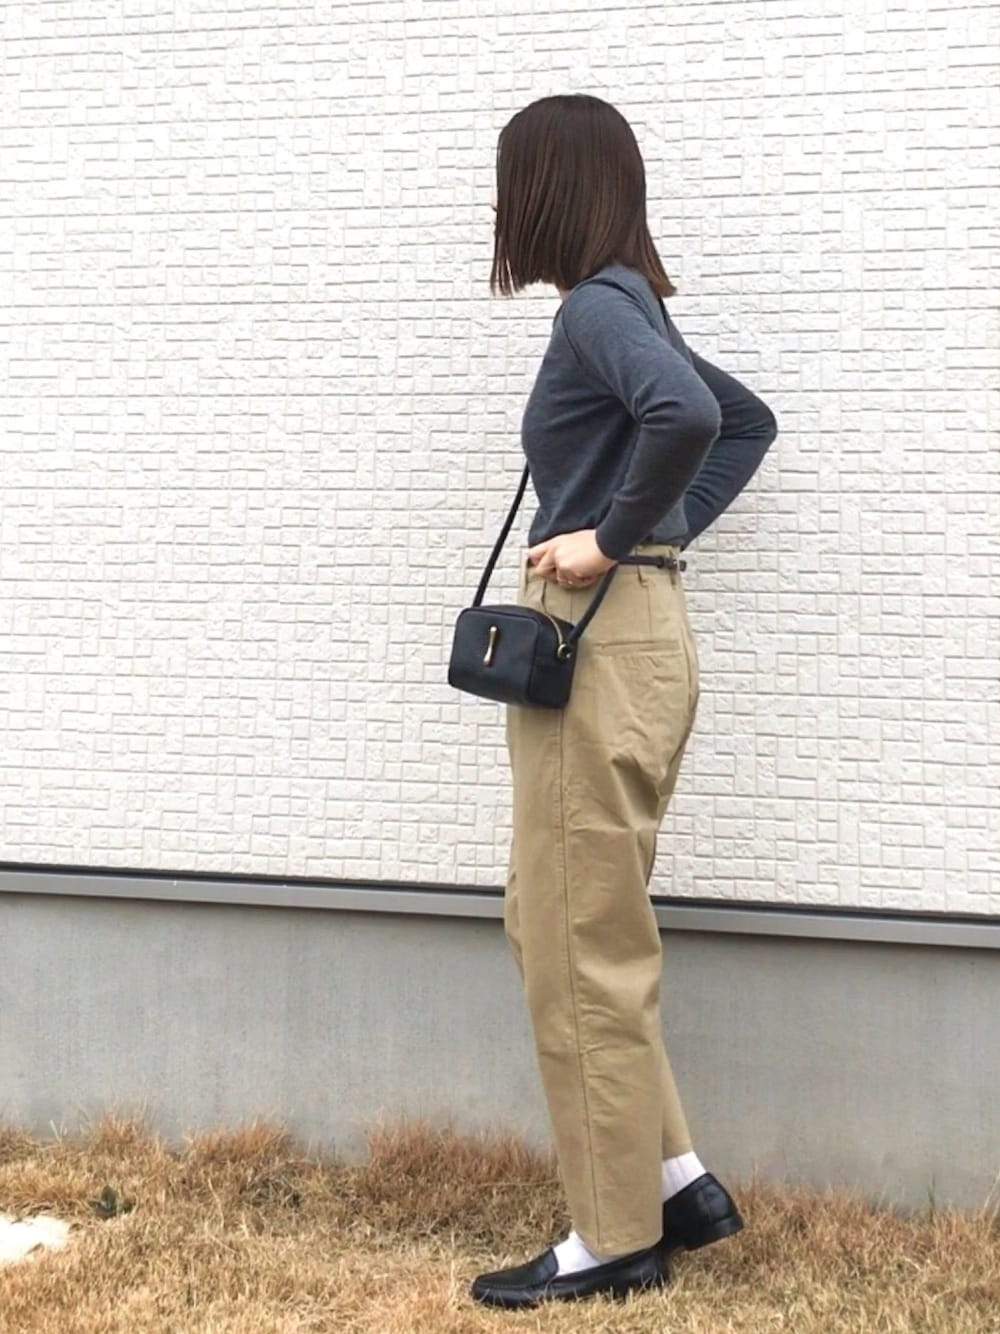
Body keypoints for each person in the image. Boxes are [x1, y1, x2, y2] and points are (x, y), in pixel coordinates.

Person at [469, 94, 778, 1311]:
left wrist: (607, 537)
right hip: (636, 639)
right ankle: (672, 1175)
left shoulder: (598, 305)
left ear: (548, 189)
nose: (502, 207)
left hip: (596, 638)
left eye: (511, 183)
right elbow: (742, 422)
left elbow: (695, 418)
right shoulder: (631, 302)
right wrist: (659, 531)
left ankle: (613, 1236)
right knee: (566, 916)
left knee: (573, 939)